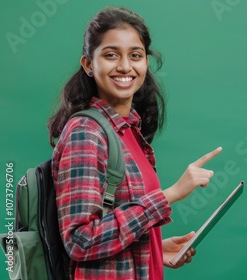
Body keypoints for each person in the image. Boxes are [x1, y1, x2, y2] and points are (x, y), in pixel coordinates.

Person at [47, 6, 221, 280]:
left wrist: (153, 249)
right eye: (111, 55)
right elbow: (80, 240)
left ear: (146, 63)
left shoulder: (128, 130)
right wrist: (170, 194)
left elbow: (116, 222)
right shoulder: (86, 132)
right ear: (88, 65)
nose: (125, 66)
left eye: (135, 55)